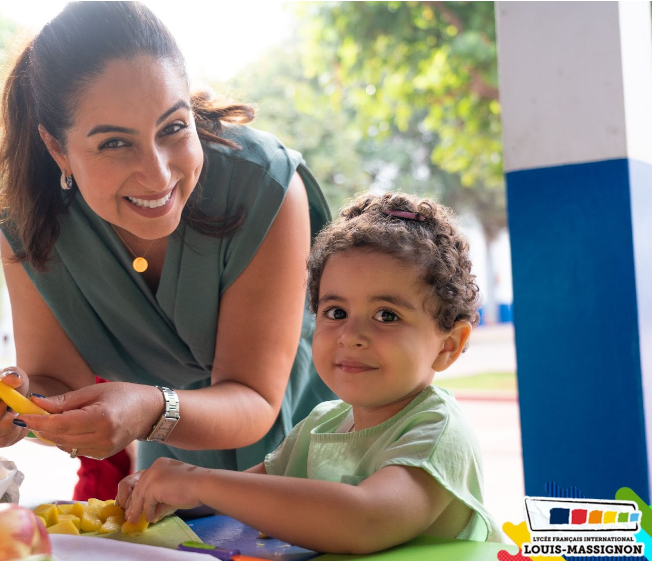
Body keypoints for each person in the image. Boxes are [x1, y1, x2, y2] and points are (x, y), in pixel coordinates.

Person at [0, 1, 334, 502]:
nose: (157, 174)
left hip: (313, 458)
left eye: (173, 128)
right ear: (57, 149)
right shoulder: (30, 219)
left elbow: (256, 399)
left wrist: (150, 410)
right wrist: (14, 410)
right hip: (172, 465)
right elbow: (56, 384)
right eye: (114, 143)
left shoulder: (263, 184)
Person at [117, 192, 502, 554]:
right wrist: (166, 493)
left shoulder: (436, 431)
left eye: (387, 315)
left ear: (448, 345)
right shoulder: (322, 425)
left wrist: (197, 480)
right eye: (335, 312)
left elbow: (364, 520)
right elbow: (245, 498)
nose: (351, 336)